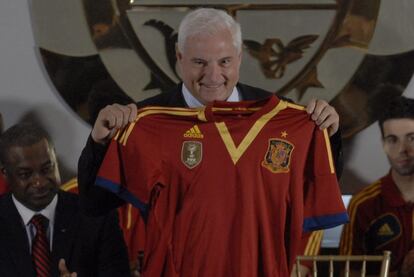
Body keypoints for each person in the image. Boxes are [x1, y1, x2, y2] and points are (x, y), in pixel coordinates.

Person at [78, 8, 346, 276]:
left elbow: (317, 185)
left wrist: (327, 134)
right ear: (179, 58)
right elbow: (94, 203)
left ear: (240, 59)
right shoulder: (147, 122)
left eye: (224, 62)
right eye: (200, 62)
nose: (213, 75)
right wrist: (99, 142)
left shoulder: (286, 118)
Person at [0, 122, 130, 276]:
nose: (39, 182)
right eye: (25, 174)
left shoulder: (97, 218)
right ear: (5, 174)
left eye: (47, 169)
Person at [339, 95, 414, 276]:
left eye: (411, 138)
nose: (402, 149)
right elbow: (348, 273)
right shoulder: (363, 204)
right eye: (392, 140)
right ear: (383, 144)